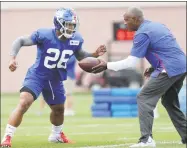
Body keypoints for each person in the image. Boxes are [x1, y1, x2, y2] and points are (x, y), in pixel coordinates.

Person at [1, 8, 106, 147]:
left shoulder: (76, 39)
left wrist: (94, 54)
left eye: (73, 25)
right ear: (59, 23)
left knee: (59, 110)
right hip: (37, 75)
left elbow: (80, 55)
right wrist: (12, 58)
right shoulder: (44, 34)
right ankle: (7, 136)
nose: (71, 27)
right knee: (24, 102)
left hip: (55, 78)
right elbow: (20, 40)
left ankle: (56, 135)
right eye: (68, 24)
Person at [92, 6, 186, 147]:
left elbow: (131, 62)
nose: (124, 23)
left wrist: (107, 65)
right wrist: (155, 67)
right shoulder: (158, 25)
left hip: (169, 69)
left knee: (144, 97)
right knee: (168, 101)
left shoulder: (142, 33)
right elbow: (168, 49)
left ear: (136, 19)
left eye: (127, 20)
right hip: (182, 66)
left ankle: (146, 140)